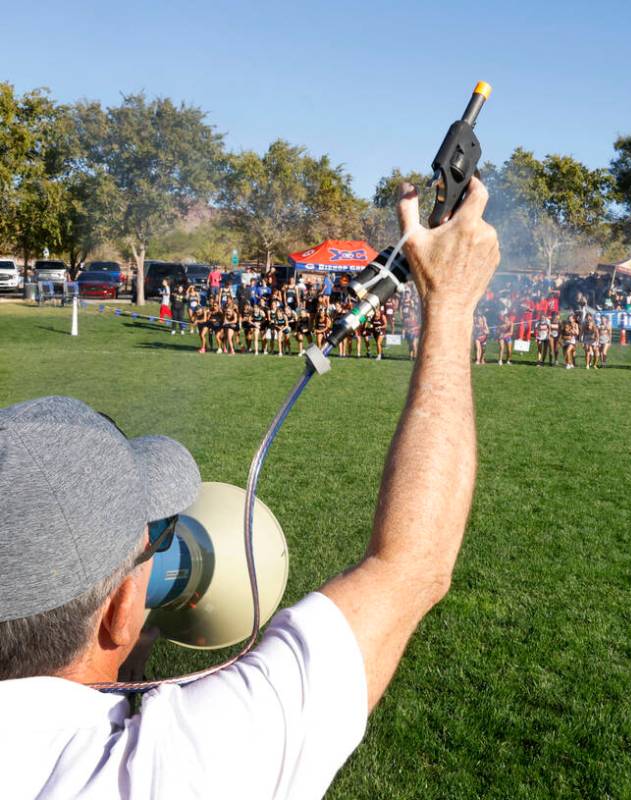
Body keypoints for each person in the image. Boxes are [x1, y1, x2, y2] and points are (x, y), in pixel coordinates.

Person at [0, 179, 500, 798]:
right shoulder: (170, 769)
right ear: (120, 612)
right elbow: (411, 566)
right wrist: (450, 303)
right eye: (152, 538)